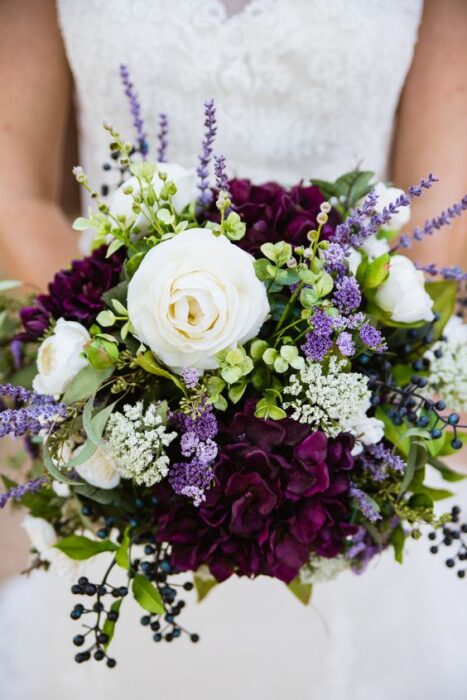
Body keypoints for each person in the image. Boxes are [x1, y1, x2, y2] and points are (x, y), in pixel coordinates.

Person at [0, 1, 466, 698]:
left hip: (345, 418)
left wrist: (315, 413)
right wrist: (123, 377)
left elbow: (434, 230)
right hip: (122, 415)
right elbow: (15, 190)